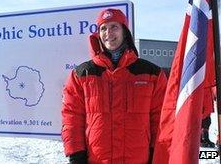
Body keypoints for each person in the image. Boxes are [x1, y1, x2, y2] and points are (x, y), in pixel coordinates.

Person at [61, 8, 168, 164]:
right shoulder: (81, 74)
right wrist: (76, 156)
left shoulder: (152, 73)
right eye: (103, 28)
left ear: (124, 32)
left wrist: (156, 154)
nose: (108, 33)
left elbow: (161, 119)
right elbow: (72, 117)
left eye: (114, 27)